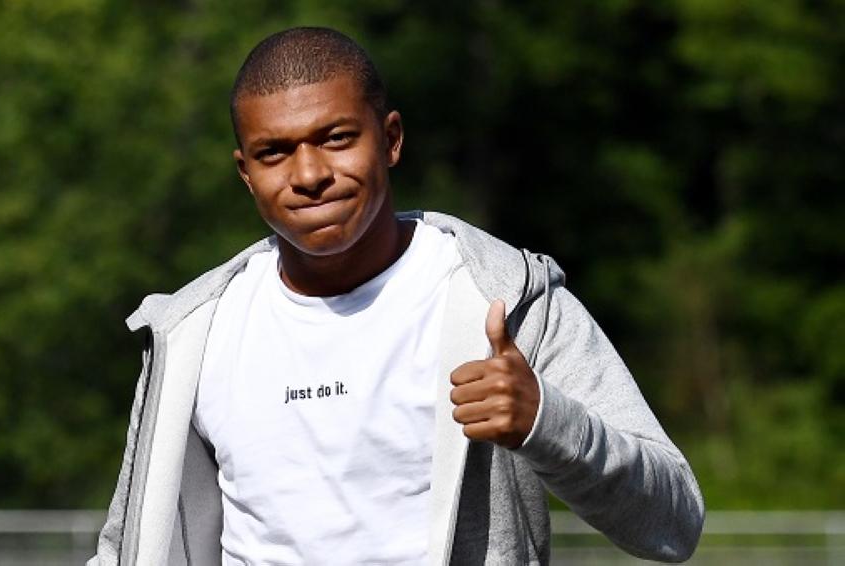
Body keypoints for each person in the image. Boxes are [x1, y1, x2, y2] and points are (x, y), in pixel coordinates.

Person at [89, 27, 704, 566]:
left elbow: (674, 524)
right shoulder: (193, 333)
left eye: (335, 138)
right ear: (246, 172)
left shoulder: (505, 301)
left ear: (391, 139)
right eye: (274, 152)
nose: (308, 175)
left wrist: (546, 421)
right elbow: (127, 549)